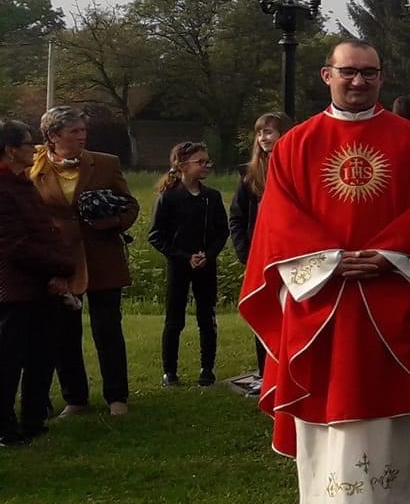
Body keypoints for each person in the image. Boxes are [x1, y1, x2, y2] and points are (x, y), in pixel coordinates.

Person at [238, 38, 410, 504]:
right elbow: (280, 218)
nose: (359, 81)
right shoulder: (296, 143)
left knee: (387, 401)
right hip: (322, 302)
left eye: (369, 72)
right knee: (327, 399)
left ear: (382, 77)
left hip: (390, 294)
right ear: (327, 75)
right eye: (348, 72)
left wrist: (386, 256)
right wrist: (331, 260)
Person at [30, 104, 138, 419]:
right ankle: (75, 398)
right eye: (74, 131)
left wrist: (112, 221)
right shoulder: (35, 167)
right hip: (60, 260)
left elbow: (130, 205)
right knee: (64, 331)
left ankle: (117, 396)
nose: (82, 136)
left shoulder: (105, 163)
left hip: (102, 255)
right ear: (53, 135)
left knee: (108, 329)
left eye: (83, 130)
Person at [0, 119, 74, 447]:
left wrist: (58, 271)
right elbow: (15, 245)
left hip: (40, 285)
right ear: (10, 150)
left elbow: (45, 232)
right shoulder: (3, 189)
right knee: (8, 361)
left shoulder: (22, 183)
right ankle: (5, 427)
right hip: (13, 291)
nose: (35, 149)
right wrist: (62, 265)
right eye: (28, 144)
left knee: (41, 356)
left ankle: (33, 419)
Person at [147, 141, 228, 388]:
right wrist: (184, 257)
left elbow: (222, 232)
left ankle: (207, 369)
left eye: (207, 161)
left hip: (206, 265)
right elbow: (156, 236)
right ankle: (169, 371)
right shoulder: (169, 198)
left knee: (207, 317)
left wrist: (208, 255)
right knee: (174, 319)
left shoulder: (212, 197)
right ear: (182, 166)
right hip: (179, 266)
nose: (206, 166)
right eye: (200, 162)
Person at [231, 112, 290, 382]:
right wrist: (246, 254)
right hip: (260, 255)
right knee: (263, 310)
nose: (263, 138)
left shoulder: (296, 166)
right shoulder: (250, 174)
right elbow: (237, 217)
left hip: (289, 253)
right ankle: (266, 375)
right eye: (259, 133)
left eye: (268, 132)